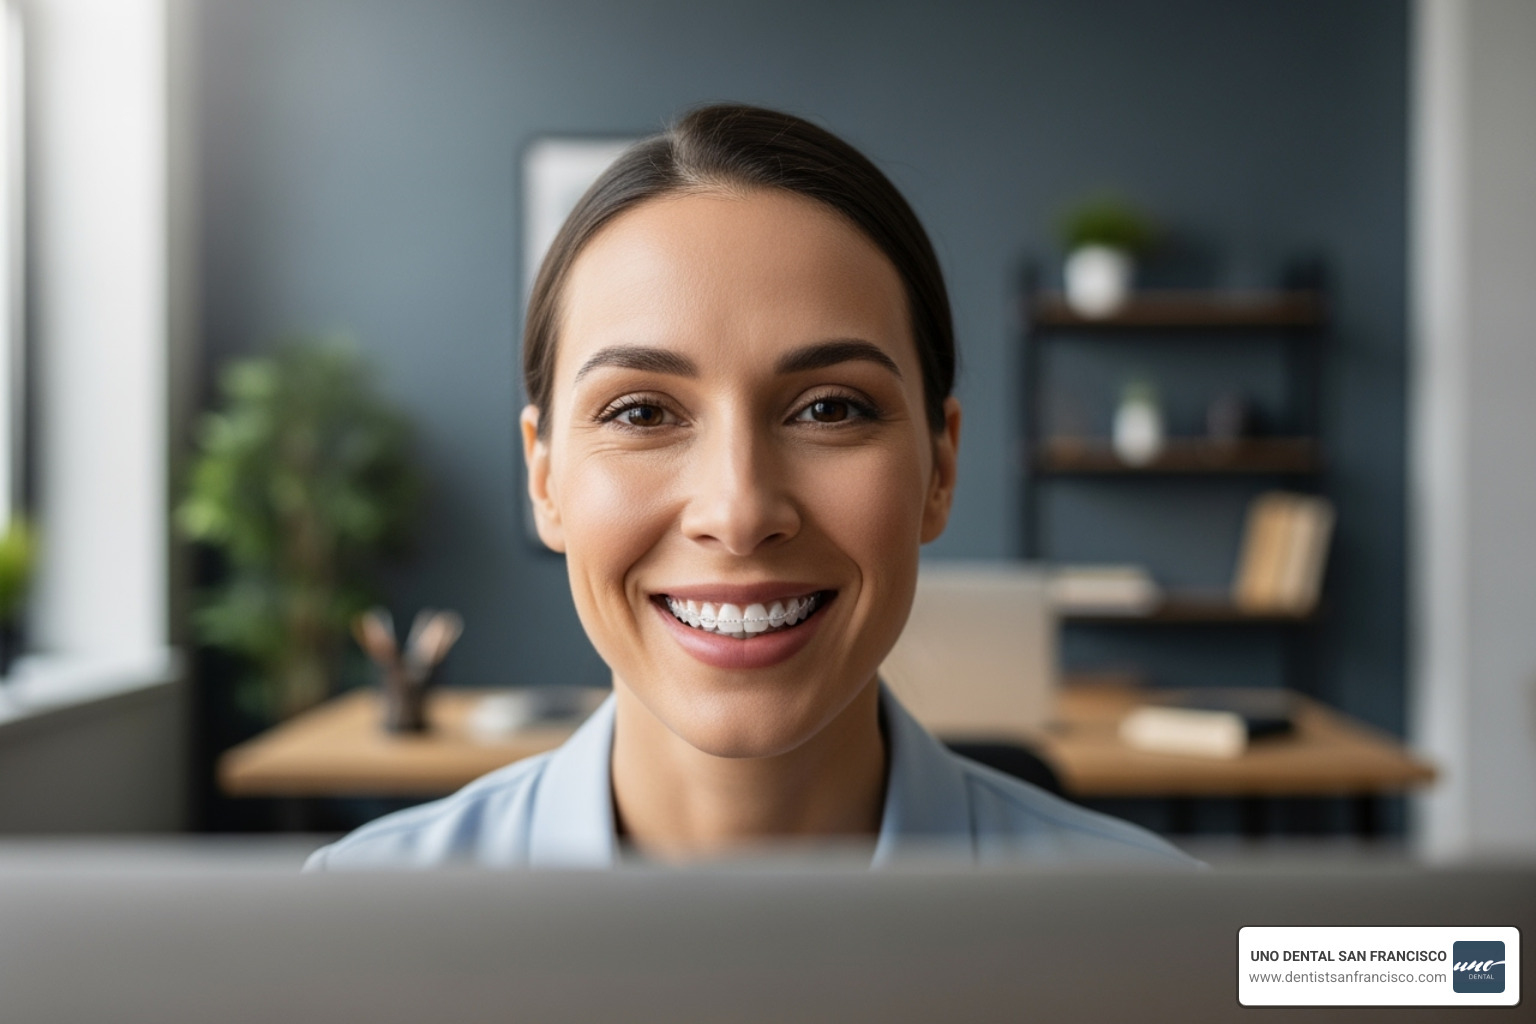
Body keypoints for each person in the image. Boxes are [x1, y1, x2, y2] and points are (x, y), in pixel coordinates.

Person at [307, 104, 1193, 870]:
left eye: (831, 408)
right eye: (644, 414)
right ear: (545, 479)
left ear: (940, 467)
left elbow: (1329, 978)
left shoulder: (1189, 940)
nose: (736, 513)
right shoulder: (337, 935)